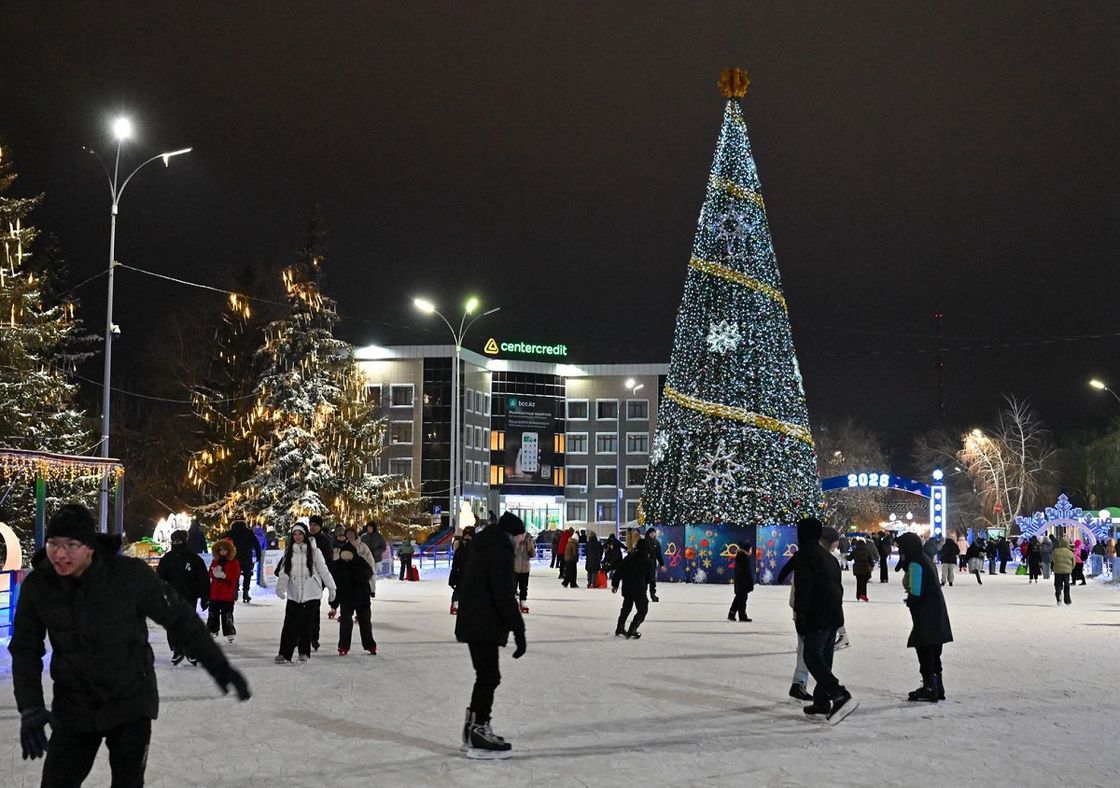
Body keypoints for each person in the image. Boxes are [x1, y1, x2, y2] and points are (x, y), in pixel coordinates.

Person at [10, 504, 250, 784]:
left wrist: (218, 665)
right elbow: (25, 648)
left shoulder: (129, 575)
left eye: (71, 544)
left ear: (89, 546)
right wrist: (30, 706)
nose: (60, 554)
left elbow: (179, 617)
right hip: (74, 704)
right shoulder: (39, 584)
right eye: (53, 544)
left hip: (131, 700)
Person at [455, 512, 527, 759]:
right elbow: (503, 594)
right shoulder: (499, 550)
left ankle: (472, 729)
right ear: (513, 534)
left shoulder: (484, 544)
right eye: (520, 537)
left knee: (485, 676)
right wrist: (519, 629)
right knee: (489, 677)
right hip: (483, 622)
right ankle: (478, 729)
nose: (520, 542)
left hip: (475, 620)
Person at [792, 517, 856, 723]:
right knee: (825, 658)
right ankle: (821, 701)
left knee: (812, 657)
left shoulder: (805, 555)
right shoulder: (829, 558)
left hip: (816, 615)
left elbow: (804, 590)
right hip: (832, 615)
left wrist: (801, 618)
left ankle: (839, 695)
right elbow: (838, 590)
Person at [897, 533, 953, 703]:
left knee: (925, 648)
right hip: (936, 611)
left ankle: (930, 687)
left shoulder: (916, 563)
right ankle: (937, 686)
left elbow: (916, 591)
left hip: (925, 613)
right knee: (934, 650)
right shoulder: (925, 558)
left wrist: (911, 602)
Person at [274, 523, 337, 662]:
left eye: (300, 534)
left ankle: (304, 652)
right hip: (294, 594)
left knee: (306, 625)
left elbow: (324, 571)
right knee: (289, 625)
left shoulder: (315, 552)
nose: (297, 537)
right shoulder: (289, 551)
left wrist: (332, 588)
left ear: (305, 535)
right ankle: (284, 653)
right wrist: (280, 587)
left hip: (311, 593)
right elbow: (284, 572)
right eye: (295, 534)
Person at [156, 529, 211, 664]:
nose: (177, 543)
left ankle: (191, 650)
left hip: (190, 596)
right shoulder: (167, 558)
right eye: (174, 541)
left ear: (184, 541)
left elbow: (203, 579)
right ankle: (177, 649)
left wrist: (205, 598)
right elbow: (160, 577)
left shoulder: (193, 558)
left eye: (179, 541)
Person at [333, 539, 377, 656]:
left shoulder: (360, 562)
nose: (346, 559)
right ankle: (343, 646)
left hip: (362, 599)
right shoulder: (338, 566)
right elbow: (336, 587)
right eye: (344, 557)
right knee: (345, 624)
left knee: (365, 623)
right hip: (346, 600)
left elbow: (369, 573)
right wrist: (334, 605)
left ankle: (370, 645)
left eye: (349, 557)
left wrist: (358, 576)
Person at [612, 538, 652, 639]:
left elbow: (619, 571)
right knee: (642, 609)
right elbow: (649, 577)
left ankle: (620, 627)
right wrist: (645, 583)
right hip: (639, 589)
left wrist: (615, 584)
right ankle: (633, 628)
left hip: (628, 588)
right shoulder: (647, 560)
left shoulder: (629, 558)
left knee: (626, 608)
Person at [222, 519, 262, 603]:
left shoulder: (230, 533)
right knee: (247, 576)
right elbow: (256, 544)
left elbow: (222, 542)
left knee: (235, 575)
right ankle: (245, 593)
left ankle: (235, 593)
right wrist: (259, 556)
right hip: (247, 557)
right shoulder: (249, 532)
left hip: (234, 558)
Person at [449, 526, 476, 615]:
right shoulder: (459, 545)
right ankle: (455, 605)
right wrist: (452, 576)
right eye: (466, 535)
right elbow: (455, 561)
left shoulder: (476, 546)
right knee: (458, 589)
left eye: (469, 535)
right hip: (460, 571)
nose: (467, 537)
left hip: (472, 573)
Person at [728, 541, 754, 622]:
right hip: (743, 582)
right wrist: (750, 582)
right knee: (742, 599)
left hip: (740, 582)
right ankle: (742, 616)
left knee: (739, 598)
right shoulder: (744, 558)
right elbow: (747, 572)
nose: (751, 551)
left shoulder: (741, 556)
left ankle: (731, 614)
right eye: (750, 549)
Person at [360, 520, 388, 596]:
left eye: (370, 527)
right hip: (365, 559)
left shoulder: (379, 537)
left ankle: (372, 590)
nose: (369, 529)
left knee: (372, 574)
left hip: (375, 559)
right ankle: (365, 590)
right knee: (364, 575)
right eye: (368, 527)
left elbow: (383, 547)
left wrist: (377, 552)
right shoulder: (363, 537)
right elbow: (360, 546)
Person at [513, 529, 535, 612]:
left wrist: (530, 546)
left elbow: (533, 554)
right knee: (512, 588)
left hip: (525, 569)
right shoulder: (514, 541)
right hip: (514, 569)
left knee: (524, 588)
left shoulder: (528, 541)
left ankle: (523, 602)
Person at [850, 537, 876, 601]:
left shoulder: (855, 550)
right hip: (865, 567)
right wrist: (872, 565)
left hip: (857, 567)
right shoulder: (867, 550)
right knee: (864, 583)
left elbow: (849, 558)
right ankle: (863, 595)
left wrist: (844, 557)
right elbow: (870, 559)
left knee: (858, 582)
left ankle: (858, 596)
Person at [1052, 537, 1075, 605]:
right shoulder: (1070, 552)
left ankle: (1058, 593)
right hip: (1067, 571)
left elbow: (1052, 560)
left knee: (1058, 584)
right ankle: (1067, 599)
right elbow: (1073, 562)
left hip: (1058, 570)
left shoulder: (1056, 551)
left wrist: (1054, 567)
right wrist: (1070, 568)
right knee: (1066, 584)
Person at [645, 527, 665, 602]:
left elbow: (659, 555)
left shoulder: (656, 543)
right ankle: (643, 596)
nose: (653, 534)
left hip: (652, 564)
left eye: (654, 533)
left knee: (652, 580)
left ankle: (653, 594)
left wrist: (662, 564)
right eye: (652, 533)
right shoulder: (644, 542)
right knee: (644, 581)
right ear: (648, 533)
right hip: (644, 564)